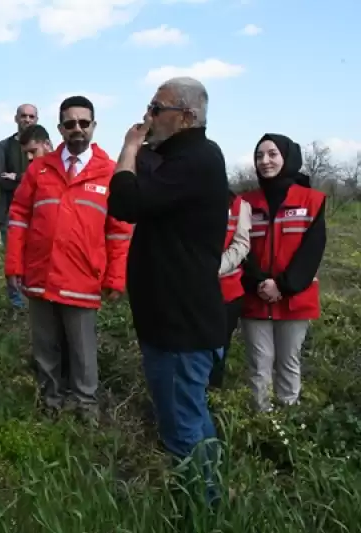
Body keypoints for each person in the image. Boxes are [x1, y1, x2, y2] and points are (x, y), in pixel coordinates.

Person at [107, 77, 227, 506]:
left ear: (187, 116)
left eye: (157, 109)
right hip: (176, 319)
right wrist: (148, 147)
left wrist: (128, 148)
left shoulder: (197, 159)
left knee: (181, 429)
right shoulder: (184, 157)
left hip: (180, 326)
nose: (147, 116)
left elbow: (125, 201)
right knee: (192, 418)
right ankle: (211, 497)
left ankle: (200, 509)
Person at [5, 96, 132, 423]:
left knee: (82, 351)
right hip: (41, 275)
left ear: (93, 126)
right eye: (70, 123)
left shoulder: (108, 173)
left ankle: (86, 408)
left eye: (84, 123)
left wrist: (116, 277)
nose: (77, 129)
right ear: (60, 128)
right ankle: (52, 402)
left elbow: (119, 230)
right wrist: (14, 265)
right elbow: (18, 216)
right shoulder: (39, 169)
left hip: (82, 279)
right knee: (46, 346)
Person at [240, 134, 326, 412]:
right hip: (255, 297)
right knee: (258, 364)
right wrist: (259, 283)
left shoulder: (312, 200)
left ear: (287, 157)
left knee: (289, 362)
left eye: (272, 154)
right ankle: (261, 421)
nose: (265, 161)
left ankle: (288, 422)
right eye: (259, 155)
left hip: (294, 298)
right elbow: (240, 247)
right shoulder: (245, 202)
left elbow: (312, 250)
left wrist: (284, 286)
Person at [0, 104, 39, 308]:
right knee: (14, 256)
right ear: (16, 118)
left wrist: (17, 177)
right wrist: (28, 180)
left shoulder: (44, 146)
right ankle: (17, 301)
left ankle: (33, 296)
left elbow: (46, 177)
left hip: (37, 212)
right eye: (23, 116)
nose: (27, 119)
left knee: (35, 256)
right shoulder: (4, 146)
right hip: (9, 211)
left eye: (31, 116)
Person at [209, 190, 251, 389]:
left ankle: (212, 393)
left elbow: (241, 244)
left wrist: (211, 268)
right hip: (187, 292)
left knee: (218, 347)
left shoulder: (239, 206)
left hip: (227, 292)